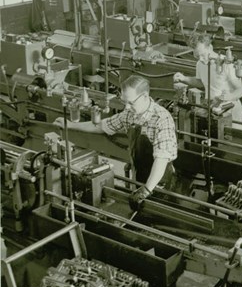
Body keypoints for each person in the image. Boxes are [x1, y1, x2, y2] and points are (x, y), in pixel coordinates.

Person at [54, 75, 178, 209]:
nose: (127, 107)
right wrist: (71, 125)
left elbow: (161, 159)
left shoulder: (162, 118)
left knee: (160, 213)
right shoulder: (130, 114)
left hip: (160, 181)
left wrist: (146, 190)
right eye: (124, 102)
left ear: (145, 96)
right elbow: (102, 125)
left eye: (131, 102)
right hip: (140, 175)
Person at [174, 34, 242, 129]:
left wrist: (229, 96)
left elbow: (240, 90)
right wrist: (184, 79)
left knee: (232, 140)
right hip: (213, 108)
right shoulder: (200, 64)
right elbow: (201, 82)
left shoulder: (226, 63)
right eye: (197, 55)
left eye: (203, 54)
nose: (200, 58)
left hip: (231, 110)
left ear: (210, 47)